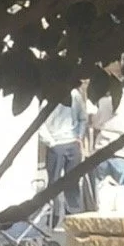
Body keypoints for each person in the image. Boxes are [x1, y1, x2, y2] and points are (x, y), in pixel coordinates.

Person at [37, 85, 90, 226]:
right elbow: (40, 123)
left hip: (72, 142)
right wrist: (51, 142)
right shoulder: (48, 97)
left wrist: (78, 137)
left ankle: (74, 217)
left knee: (72, 181)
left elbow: (82, 117)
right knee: (54, 183)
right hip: (56, 144)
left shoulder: (74, 94)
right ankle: (52, 217)